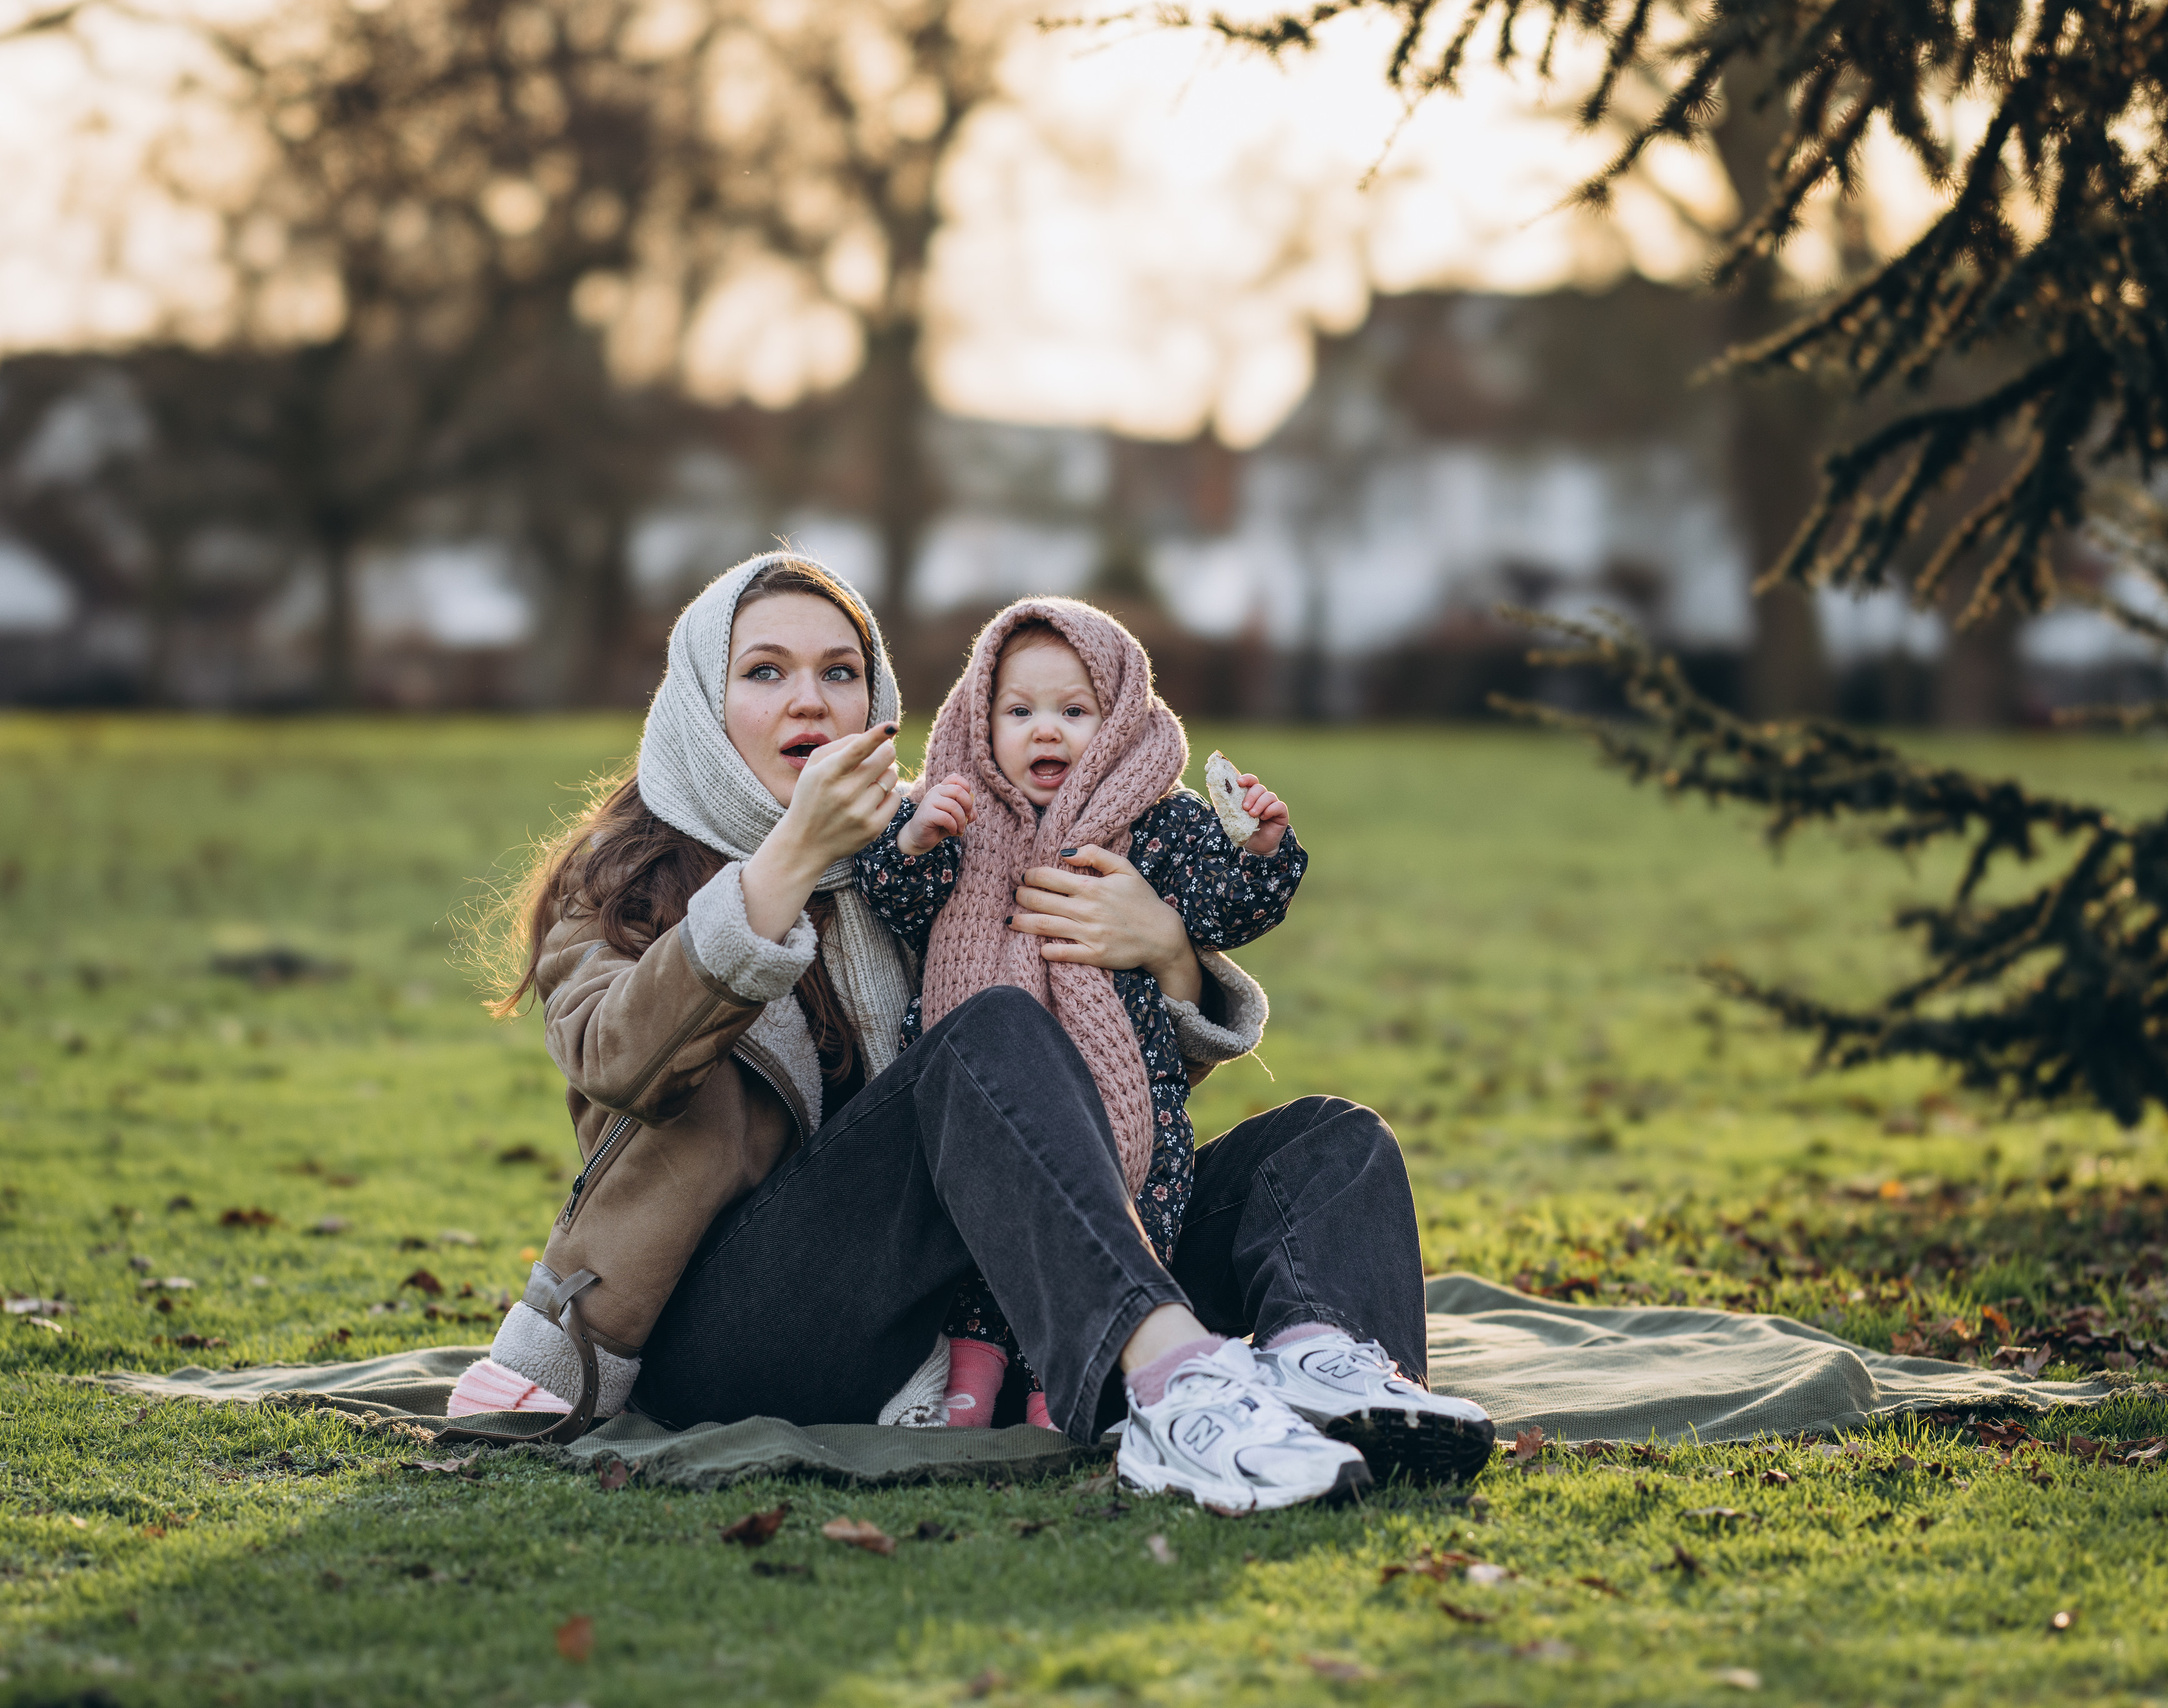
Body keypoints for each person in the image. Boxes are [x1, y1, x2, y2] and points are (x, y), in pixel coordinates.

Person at [454, 552, 1492, 1510]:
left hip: (965, 1296)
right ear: (699, 703)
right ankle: (1177, 1383)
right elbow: (617, 1060)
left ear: (880, 699)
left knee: (1327, 1145)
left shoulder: (933, 844)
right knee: (983, 1026)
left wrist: (1168, 957)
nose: (810, 697)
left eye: (840, 670)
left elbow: (1065, 1105)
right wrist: (786, 864)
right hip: (740, 1326)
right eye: (764, 671)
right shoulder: (622, 885)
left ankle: (1345, 1383)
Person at [850, 600, 1308, 1440]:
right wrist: (914, 843)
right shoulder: (955, 814)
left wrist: (1260, 850)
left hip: (1130, 1103)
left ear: (1120, 720)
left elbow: (1223, 906)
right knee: (987, 1237)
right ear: (978, 719)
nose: (1045, 733)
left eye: (1074, 711)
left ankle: (1068, 1384)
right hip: (987, 1094)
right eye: (1019, 712)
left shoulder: (1157, 824)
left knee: (1123, 1220)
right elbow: (898, 902)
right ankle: (974, 1371)